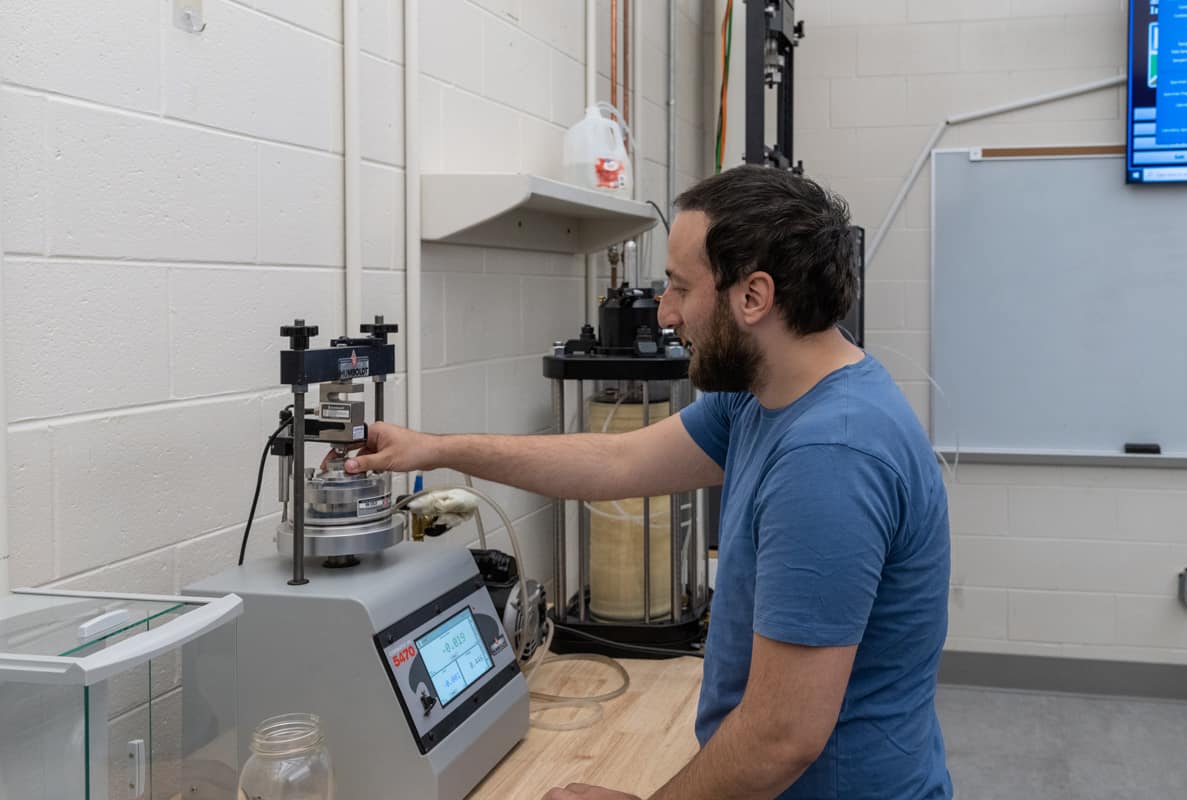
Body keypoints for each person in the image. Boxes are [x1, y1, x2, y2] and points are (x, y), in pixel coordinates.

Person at [345, 166, 953, 800]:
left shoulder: (829, 457)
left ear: (753, 296)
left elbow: (780, 738)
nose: (666, 314)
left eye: (680, 287)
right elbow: (615, 462)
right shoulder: (765, 397)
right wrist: (437, 448)